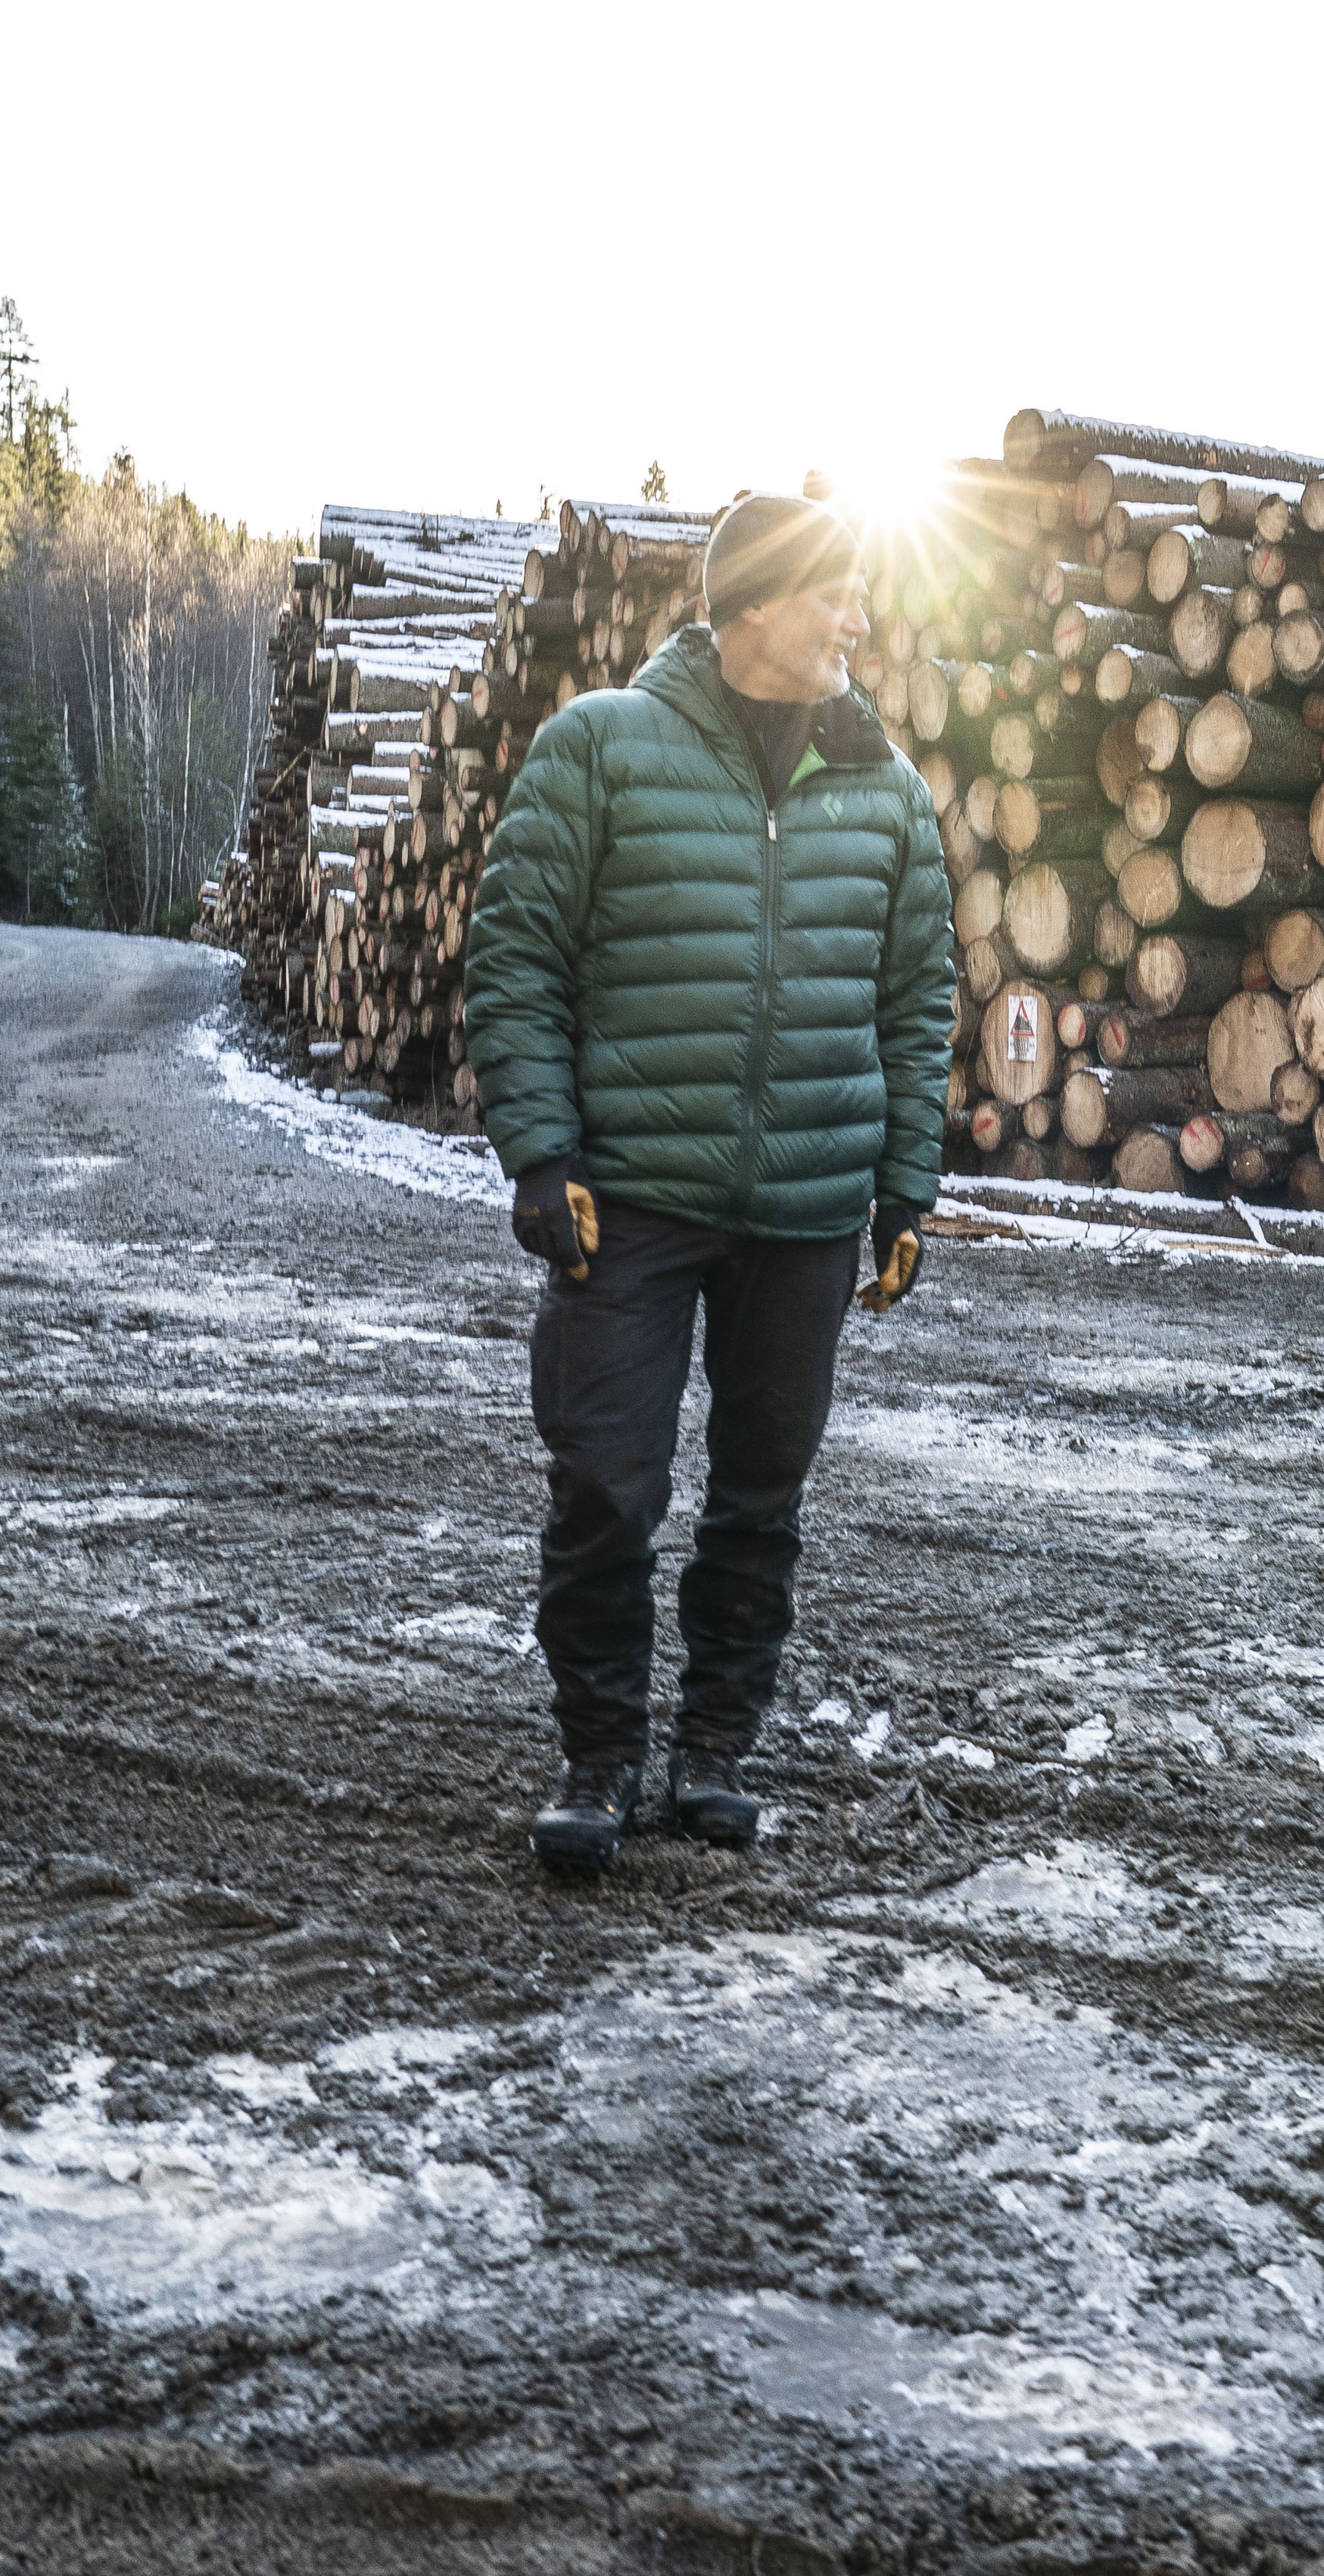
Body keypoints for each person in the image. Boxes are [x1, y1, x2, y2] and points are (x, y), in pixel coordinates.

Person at [462, 491, 958, 1863]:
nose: (859, 618)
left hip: (803, 1212)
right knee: (607, 1486)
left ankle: (714, 1751)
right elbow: (514, 960)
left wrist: (902, 1189)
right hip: (627, 1200)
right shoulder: (601, 751)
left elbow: (919, 1000)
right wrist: (542, 1152)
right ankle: (600, 1755)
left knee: (759, 1500)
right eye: (834, 594)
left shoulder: (886, 790)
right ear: (752, 607)